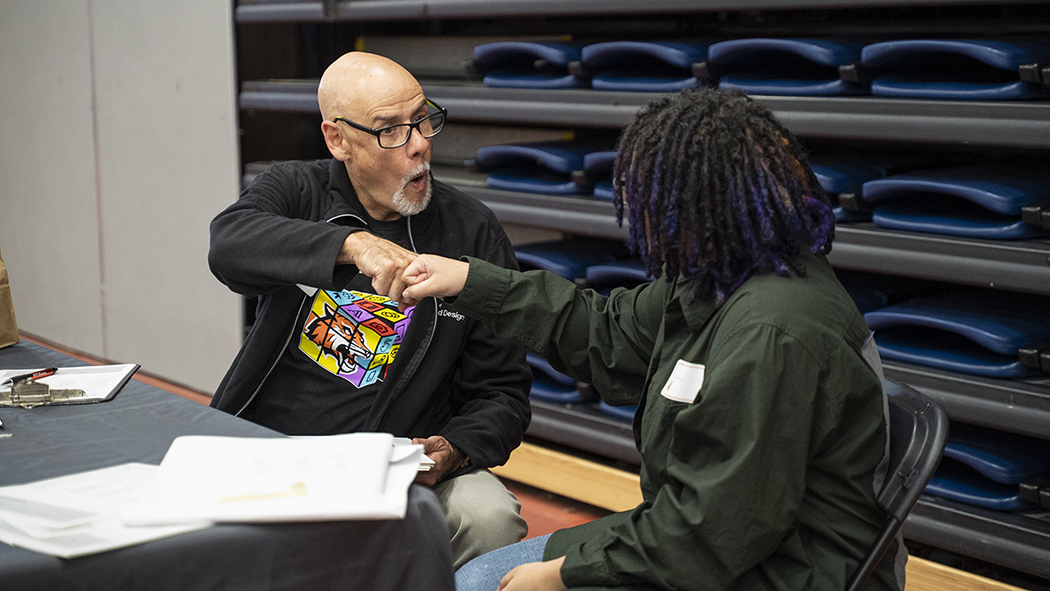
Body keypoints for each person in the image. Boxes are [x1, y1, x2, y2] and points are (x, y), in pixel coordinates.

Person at [397, 88, 904, 591]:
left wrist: (562, 575)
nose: (643, 220)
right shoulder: (724, 277)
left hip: (785, 569)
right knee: (482, 577)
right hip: (720, 540)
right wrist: (470, 282)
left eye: (652, 201)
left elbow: (713, 533)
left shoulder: (770, 332)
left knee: (483, 583)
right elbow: (606, 331)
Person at [207, 51, 531, 568]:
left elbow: (503, 390)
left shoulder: (471, 231)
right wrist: (350, 245)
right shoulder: (297, 190)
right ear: (338, 140)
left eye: (423, 118)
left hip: (397, 471)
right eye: (391, 130)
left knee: (489, 515)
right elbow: (228, 245)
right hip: (275, 453)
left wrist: (455, 448)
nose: (420, 142)